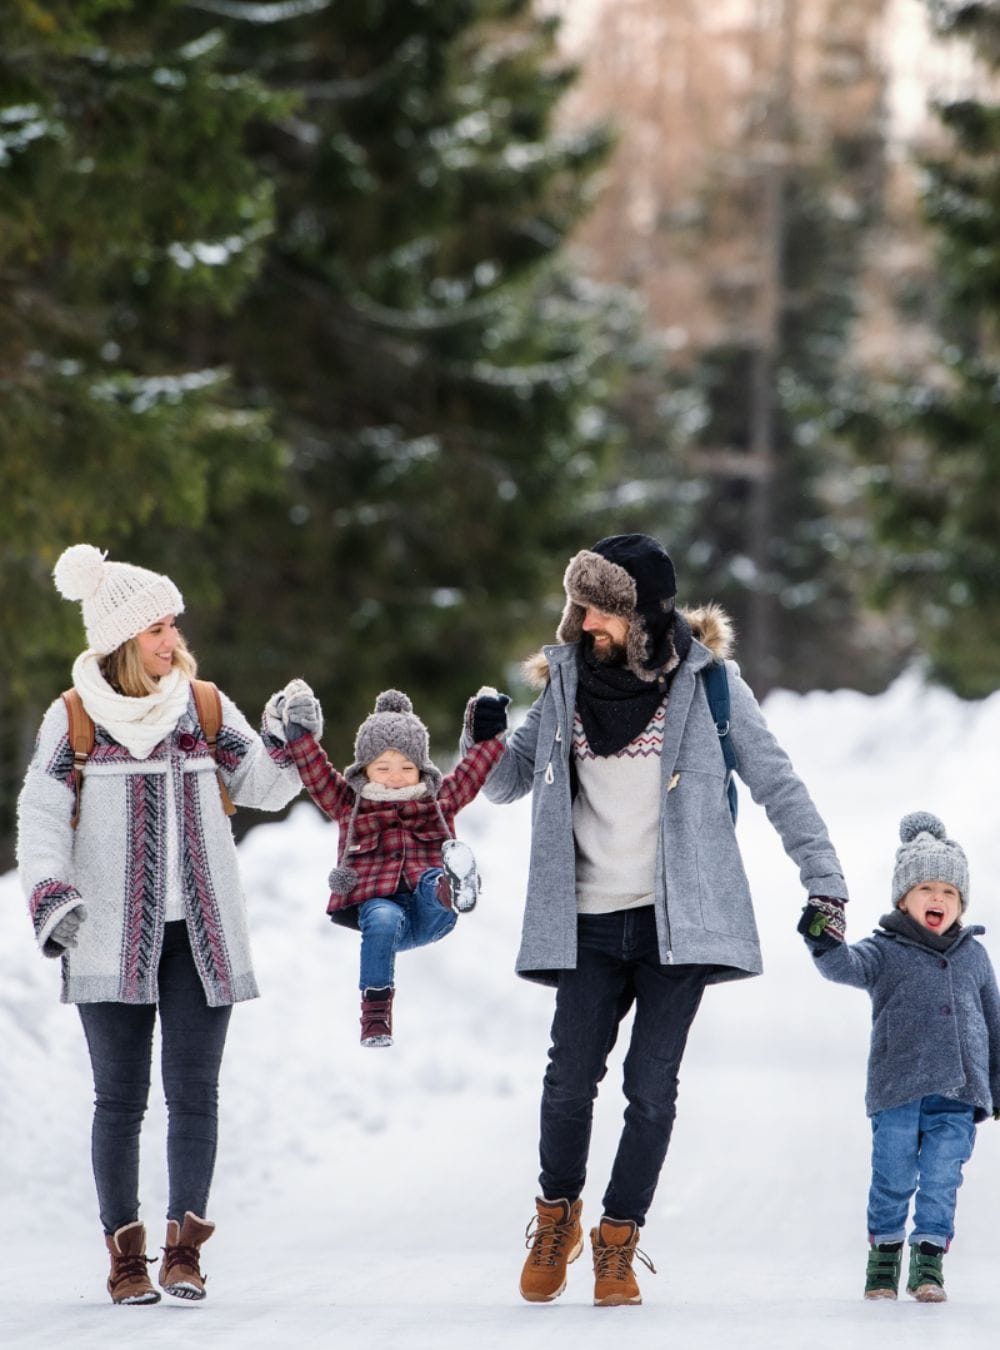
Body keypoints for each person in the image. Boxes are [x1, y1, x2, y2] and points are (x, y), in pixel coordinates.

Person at [466, 532, 849, 1307]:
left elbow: (780, 785)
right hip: (586, 921)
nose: (582, 624)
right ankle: (555, 1216)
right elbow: (506, 784)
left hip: (679, 924)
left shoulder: (710, 688)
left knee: (651, 1087)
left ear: (640, 615)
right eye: (579, 608)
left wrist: (826, 882)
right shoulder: (568, 683)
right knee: (569, 1080)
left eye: (599, 611)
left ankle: (618, 1238)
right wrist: (484, 736)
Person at [16, 544, 305, 1306]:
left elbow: (267, 787)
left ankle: (184, 1253)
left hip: (199, 937)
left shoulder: (202, 707)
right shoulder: (73, 718)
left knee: (195, 1096)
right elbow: (42, 817)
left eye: (173, 625)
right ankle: (125, 1258)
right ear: (121, 638)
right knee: (119, 1101)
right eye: (156, 629)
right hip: (105, 935)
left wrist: (292, 735)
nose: (171, 639)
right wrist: (52, 896)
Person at [799, 811, 1000, 1303]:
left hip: (958, 1091)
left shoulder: (973, 955)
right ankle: (885, 1258)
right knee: (892, 1177)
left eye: (949, 892)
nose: (938, 898)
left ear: (960, 902)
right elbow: (844, 967)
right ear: (903, 899)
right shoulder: (884, 950)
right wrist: (821, 940)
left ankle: (928, 1264)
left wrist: (997, 1082)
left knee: (941, 1179)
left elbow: (993, 1018)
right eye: (926, 889)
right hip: (897, 1089)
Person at [279, 684, 510, 1046]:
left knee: (433, 880)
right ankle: (375, 1016)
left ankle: (454, 887)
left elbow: (471, 772)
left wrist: (490, 733)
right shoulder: (348, 804)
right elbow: (316, 773)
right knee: (382, 915)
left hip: (430, 910)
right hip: (382, 917)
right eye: (383, 766)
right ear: (365, 769)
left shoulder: (438, 801)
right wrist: (299, 734)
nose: (395, 775)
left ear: (421, 769)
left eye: (406, 766)